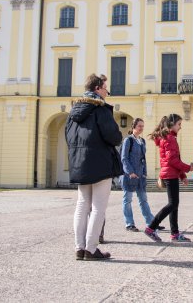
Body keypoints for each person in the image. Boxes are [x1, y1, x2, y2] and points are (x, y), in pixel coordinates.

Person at [66, 73, 123, 261]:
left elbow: (68, 137)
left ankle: (79, 247)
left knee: (82, 205)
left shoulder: (73, 112)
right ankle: (91, 249)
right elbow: (114, 137)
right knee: (98, 207)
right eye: (106, 88)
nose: (108, 92)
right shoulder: (101, 110)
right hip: (100, 163)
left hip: (79, 162)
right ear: (98, 88)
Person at [144, 114, 193, 242]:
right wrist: (188, 168)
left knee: (174, 204)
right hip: (170, 174)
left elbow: (174, 160)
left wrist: (182, 175)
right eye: (179, 124)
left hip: (171, 173)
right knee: (172, 203)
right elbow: (173, 160)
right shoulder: (170, 138)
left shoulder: (168, 137)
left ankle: (174, 234)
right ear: (172, 124)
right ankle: (151, 228)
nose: (180, 127)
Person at [121, 118, 154, 232]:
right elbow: (124, 158)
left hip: (140, 176)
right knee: (127, 200)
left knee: (143, 199)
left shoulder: (142, 141)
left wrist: (144, 173)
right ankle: (129, 223)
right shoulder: (128, 140)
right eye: (139, 126)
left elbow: (143, 159)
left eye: (143, 126)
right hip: (129, 175)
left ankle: (151, 222)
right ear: (133, 126)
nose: (141, 128)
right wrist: (130, 172)